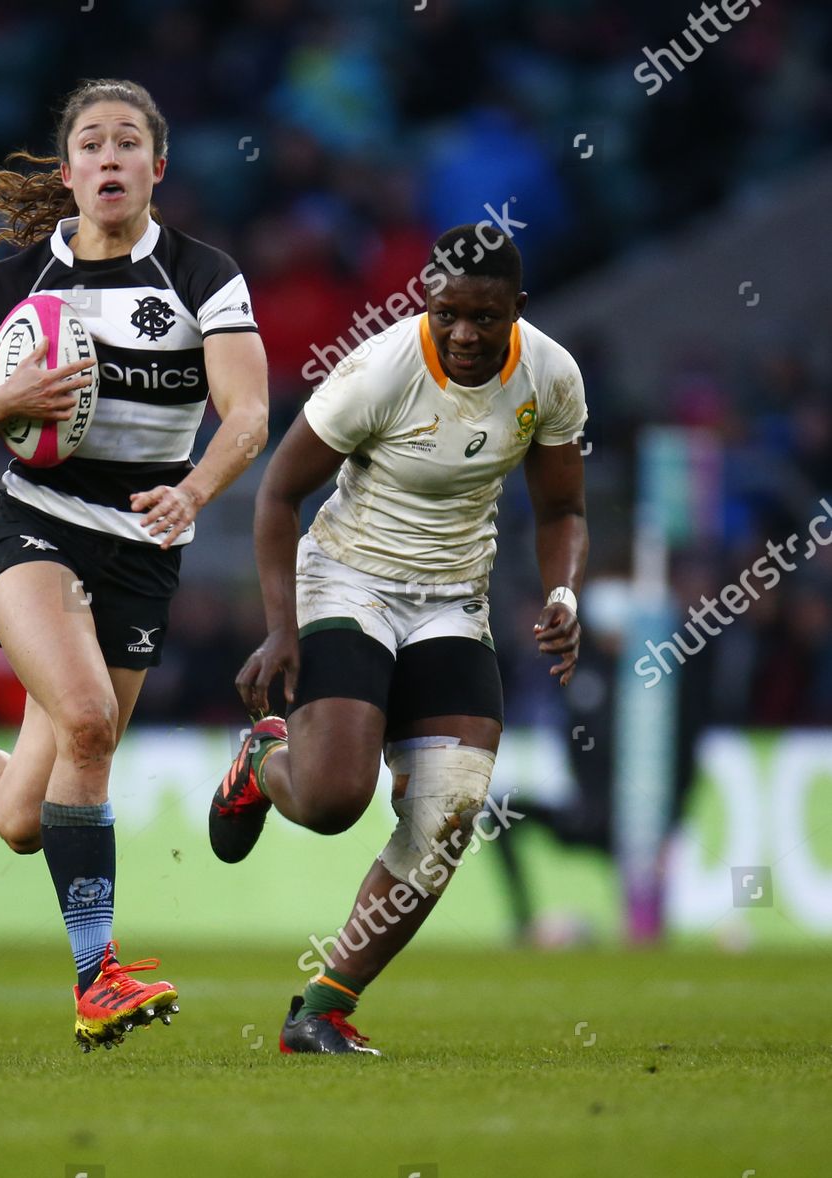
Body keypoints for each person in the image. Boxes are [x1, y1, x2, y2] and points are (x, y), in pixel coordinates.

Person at [0, 78, 269, 1050]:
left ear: (157, 166)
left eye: (128, 144)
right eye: (92, 145)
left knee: (27, 816)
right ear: (67, 172)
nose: (110, 159)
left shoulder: (204, 277)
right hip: (36, 531)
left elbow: (248, 414)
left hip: (146, 552)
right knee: (87, 720)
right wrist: (5, 398)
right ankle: (96, 974)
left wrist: (194, 490)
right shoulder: (12, 287)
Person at [213, 224, 587, 1054]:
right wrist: (280, 630)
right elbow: (277, 496)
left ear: (516, 311)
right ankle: (263, 763)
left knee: (448, 812)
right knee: (332, 800)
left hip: (453, 597)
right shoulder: (379, 370)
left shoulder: (551, 374)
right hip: (348, 578)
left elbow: (562, 510)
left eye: (485, 318)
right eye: (449, 312)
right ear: (426, 298)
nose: (463, 333)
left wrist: (563, 589)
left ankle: (322, 1010)